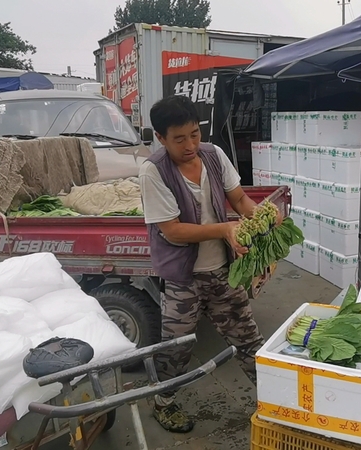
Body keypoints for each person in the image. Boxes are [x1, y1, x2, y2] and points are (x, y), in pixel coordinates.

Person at [138, 95, 272, 433]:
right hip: (184, 278)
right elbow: (173, 230)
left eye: (195, 134)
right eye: (179, 138)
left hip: (223, 274)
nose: (190, 145)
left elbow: (239, 199)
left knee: (248, 339)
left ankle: (275, 399)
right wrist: (226, 228)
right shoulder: (153, 171)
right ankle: (163, 401)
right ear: (161, 138)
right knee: (177, 347)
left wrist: (264, 216)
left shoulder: (213, 155)